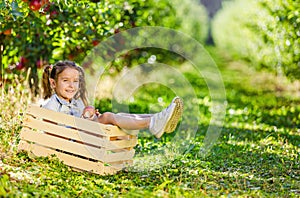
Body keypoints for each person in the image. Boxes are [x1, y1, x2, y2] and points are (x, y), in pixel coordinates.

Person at [41, 60, 183, 139]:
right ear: (53, 83)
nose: (72, 86)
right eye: (66, 80)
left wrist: (89, 116)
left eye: (76, 81)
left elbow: (82, 118)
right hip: (74, 143)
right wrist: (84, 122)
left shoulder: (77, 102)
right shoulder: (50, 106)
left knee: (119, 117)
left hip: (83, 137)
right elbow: (54, 134)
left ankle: (158, 118)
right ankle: (153, 122)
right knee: (108, 116)